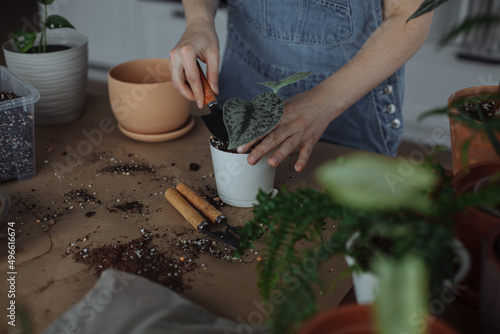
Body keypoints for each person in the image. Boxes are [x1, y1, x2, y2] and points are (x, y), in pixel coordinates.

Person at [169, 0, 433, 172]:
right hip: (244, 83)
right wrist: (198, 19)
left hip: (349, 111)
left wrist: (326, 100)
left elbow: (410, 15)